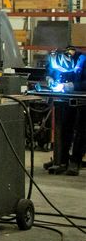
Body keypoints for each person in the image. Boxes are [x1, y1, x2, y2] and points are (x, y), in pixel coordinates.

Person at [44, 45, 86, 175]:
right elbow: (50, 70)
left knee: (81, 130)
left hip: (83, 99)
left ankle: (75, 161)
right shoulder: (55, 57)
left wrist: (73, 85)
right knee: (64, 128)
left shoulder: (83, 60)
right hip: (66, 98)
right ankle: (61, 160)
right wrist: (50, 78)